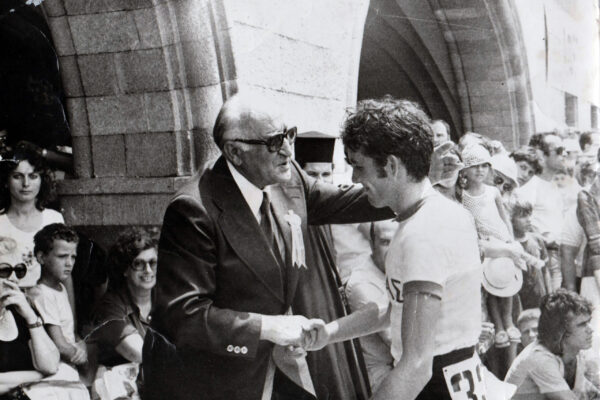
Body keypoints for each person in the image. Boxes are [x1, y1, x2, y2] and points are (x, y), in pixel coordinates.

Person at [147, 93, 392, 400]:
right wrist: (266, 327)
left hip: (279, 371)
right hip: (216, 381)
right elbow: (182, 315)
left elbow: (346, 203)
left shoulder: (287, 180)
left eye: (290, 134)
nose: (289, 150)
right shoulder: (194, 210)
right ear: (236, 152)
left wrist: (406, 183)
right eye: (275, 141)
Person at [306, 96, 484, 400]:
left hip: (433, 387)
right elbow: (398, 309)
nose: (354, 178)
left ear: (390, 166)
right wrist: (331, 332)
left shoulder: (421, 233)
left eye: (359, 167)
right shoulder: (444, 212)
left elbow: (415, 365)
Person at [292, 131, 371, 399]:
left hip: (339, 303)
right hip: (311, 304)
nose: (320, 182)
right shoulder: (293, 213)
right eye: (313, 174)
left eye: (326, 175)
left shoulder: (334, 204)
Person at [506, 289, 600, 399]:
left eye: (588, 322)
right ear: (560, 331)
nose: (590, 330)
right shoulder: (540, 358)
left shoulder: (576, 352)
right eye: (582, 325)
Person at [0, 236, 60, 397]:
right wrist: (38, 377)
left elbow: (51, 366)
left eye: (18, 270)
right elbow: (47, 374)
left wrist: (30, 317)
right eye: (4, 271)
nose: (13, 279)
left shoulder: (20, 310)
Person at [0, 142, 64, 289]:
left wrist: (68, 312)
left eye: (33, 176)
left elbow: (62, 277)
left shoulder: (53, 219)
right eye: (17, 176)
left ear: (42, 180)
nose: (26, 183)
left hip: (46, 306)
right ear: (6, 181)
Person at [93, 227, 158, 367]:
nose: (148, 270)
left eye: (152, 262)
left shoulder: (166, 297)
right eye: (139, 264)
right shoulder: (110, 306)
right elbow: (140, 353)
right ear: (124, 269)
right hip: (121, 383)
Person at [345, 219, 396, 392]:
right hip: (383, 376)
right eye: (385, 242)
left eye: (398, 241)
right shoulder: (362, 284)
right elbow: (395, 339)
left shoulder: (399, 270)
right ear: (372, 244)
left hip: (402, 366)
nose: (393, 250)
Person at [28, 224, 85, 369]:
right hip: (56, 368)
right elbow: (58, 345)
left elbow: (69, 333)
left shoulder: (60, 288)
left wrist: (81, 344)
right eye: (62, 256)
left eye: (73, 257)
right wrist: (82, 356)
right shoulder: (42, 294)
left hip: (69, 363)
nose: (69, 263)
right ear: (41, 257)